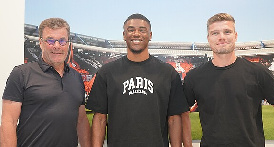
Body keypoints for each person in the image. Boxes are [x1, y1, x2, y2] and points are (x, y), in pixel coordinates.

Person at [183, 13, 274, 147]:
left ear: (235, 36)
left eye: (227, 32)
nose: (221, 37)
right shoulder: (194, 77)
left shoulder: (258, 72)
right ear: (208, 38)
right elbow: (182, 114)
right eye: (215, 33)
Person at [86, 13, 191, 147]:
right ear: (124, 35)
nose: (136, 34)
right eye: (131, 30)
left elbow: (174, 119)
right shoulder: (107, 72)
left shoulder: (168, 72)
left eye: (142, 30)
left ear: (150, 35)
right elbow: (100, 118)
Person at [0, 18, 91, 147]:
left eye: (62, 40)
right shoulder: (21, 73)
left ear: (68, 44)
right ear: (41, 43)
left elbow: (81, 120)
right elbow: (8, 121)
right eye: (50, 40)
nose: (57, 46)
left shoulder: (76, 77)